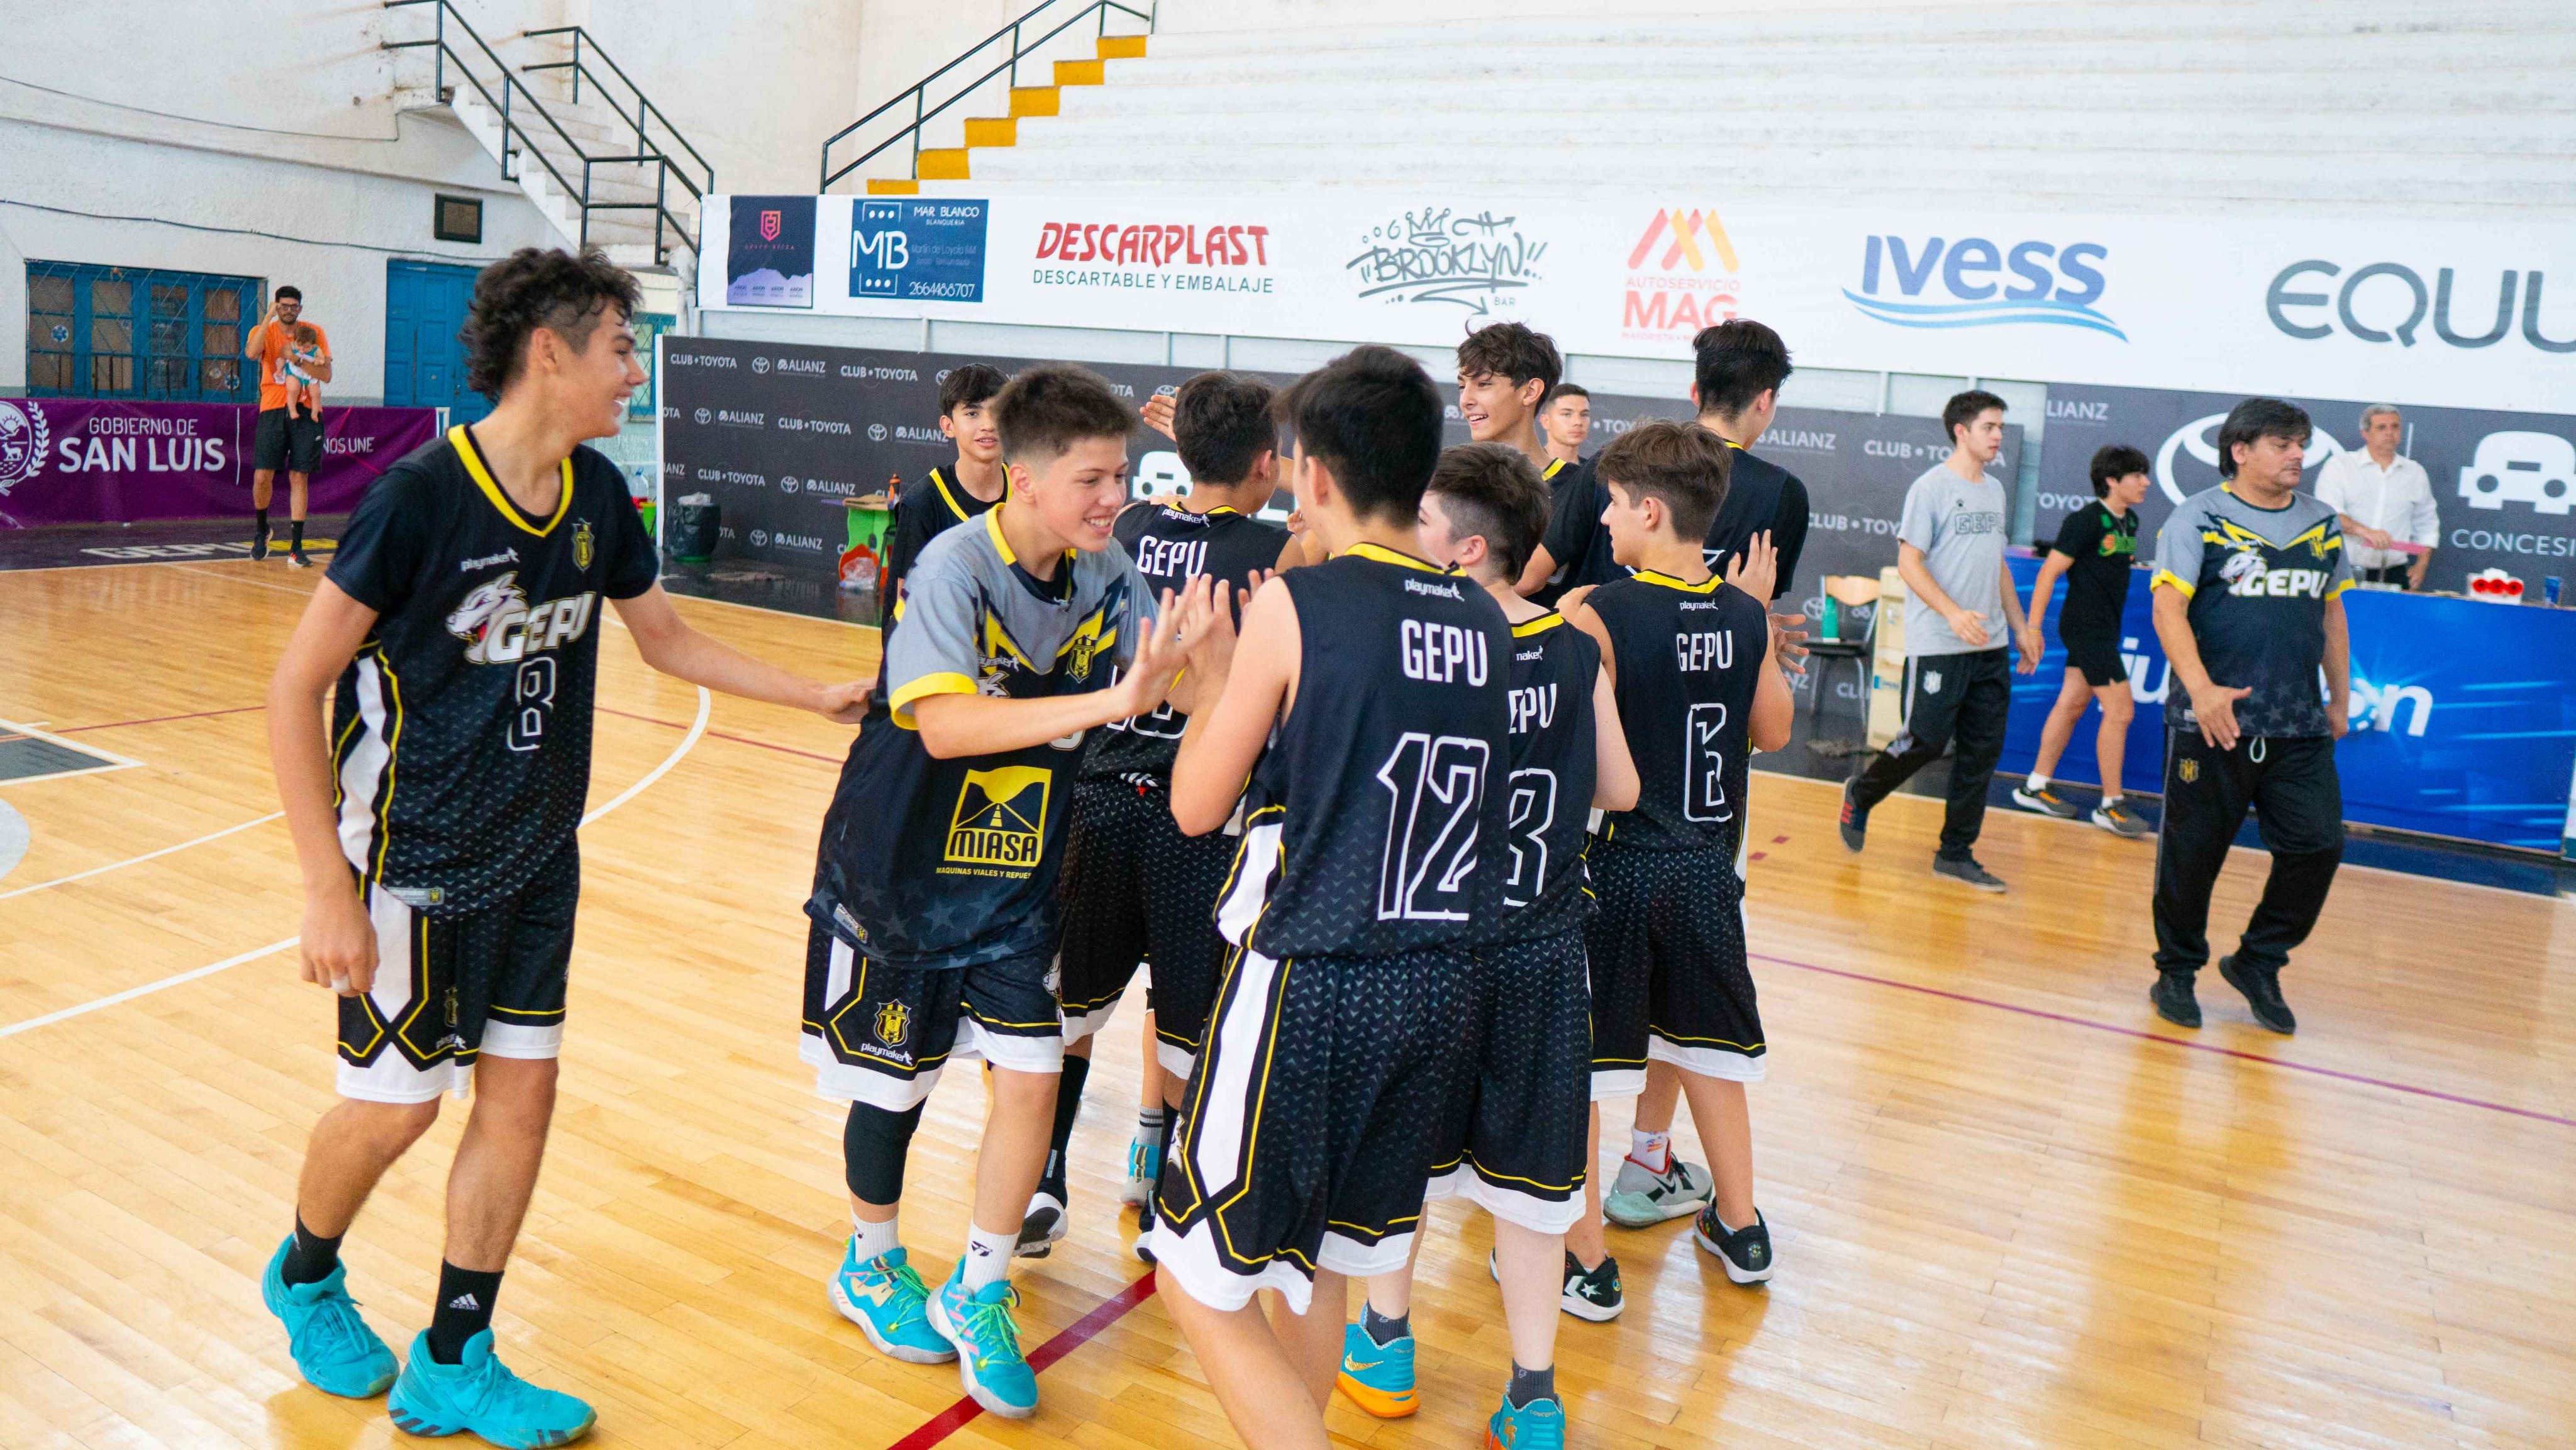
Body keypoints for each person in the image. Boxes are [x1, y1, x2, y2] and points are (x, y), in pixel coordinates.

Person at [261, 248, 871, 1445]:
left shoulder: (595, 497)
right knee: (397, 1113)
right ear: (552, 351)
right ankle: (307, 1272)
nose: (633, 369)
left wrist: (813, 695)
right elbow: (296, 688)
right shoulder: (420, 498)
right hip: (411, 862)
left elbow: (668, 643)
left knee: (521, 1104)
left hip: (540, 853)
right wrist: (326, 887)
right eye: (621, 347)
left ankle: (455, 1354)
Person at [1145, 346, 1511, 1450]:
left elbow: (1197, 807)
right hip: (1437, 990)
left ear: (1311, 473)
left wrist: (1208, 679)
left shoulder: (1298, 604)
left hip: (1311, 984)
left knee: (1194, 1281)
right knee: (1317, 1278)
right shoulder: (1489, 622)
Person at [801, 364, 1182, 1419]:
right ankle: (870, 1259)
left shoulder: (1109, 573)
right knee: (895, 1087)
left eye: (1124, 477)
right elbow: (946, 724)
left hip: (1015, 872)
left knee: (1028, 1077)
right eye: (1096, 479)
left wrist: (1220, 653)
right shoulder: (952, 564)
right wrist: (1115, 698)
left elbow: (1172, 676)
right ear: (1022, 476)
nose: (1116, 498)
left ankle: (981, 1285)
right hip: (900, 868)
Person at [1333, 443, 1638, 1447]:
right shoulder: (1573, 647)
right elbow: (1622, 792)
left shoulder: (1423, 650)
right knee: (1534, 1189)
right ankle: (1535, 1395)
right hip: (1545, 950)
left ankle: (1384, 1340)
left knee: (1401, 1164)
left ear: (1464, 550)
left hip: (1428, 946)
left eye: (1420, 519)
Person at [1032, 371, 1296, 1262]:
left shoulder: (1122, 529)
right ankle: (1166, 1195)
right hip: (1198, 814)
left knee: (1070, 1009)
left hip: (1098, 798)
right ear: (1268, 464)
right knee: (1193, 1019)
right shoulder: (1276, 558)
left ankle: (1044, 1175)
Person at [1563, 421, 1796, 1301]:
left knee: (1585, 1067)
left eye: (1614, 507)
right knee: (1711, 1053)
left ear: (1650, 510)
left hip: (1617, 866)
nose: (1607, 523)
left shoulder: (1599, 608)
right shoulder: (1743, 612)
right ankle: (1741, 1226)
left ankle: (1583, 1251)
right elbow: (1771, 732)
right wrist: (1758, 626)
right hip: (1706, 868)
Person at [2147, 398, 2351, 1037]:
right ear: (2240, 450)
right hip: (2211, 722)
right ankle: (2176, 971)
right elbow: (2166, 610)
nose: (2297, 455)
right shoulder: (2196, 517)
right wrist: (2202, 689)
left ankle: (2257, 961)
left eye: (2301, 443)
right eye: (2282, 443)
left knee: (2318, 844)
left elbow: (2330, 615)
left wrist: (2339, 697)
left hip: (2296, 723)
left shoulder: (2321, 523)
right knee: (2192, 855)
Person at [1838, 389, 2037, 892]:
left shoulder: (1994, 491)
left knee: (1981, 752)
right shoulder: (1930, 489)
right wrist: (1952, 612)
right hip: (1940, 645)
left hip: (1989, 647)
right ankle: (1862, 792)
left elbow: (1997, 569)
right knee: (1925, 741)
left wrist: (2020, 626)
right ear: (1962, 431)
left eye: (2000, 427)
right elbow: (1909, 563)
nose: (1998, 436)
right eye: (1990, 427)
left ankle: (1955, 853)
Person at [1519, 320, 1809, 610]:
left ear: (1695, 392)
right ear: (1764, 400)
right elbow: (1756, 608)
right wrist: (1763, 632)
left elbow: (1529, 577)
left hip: (1590, 649)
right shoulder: (1783, 494)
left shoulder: (1616, 457)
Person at [2013, 444, 2155, 837]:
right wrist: (2034, 629)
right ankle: (2111, 805)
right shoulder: (2085, 521)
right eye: (2137, 475)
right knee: (2121, 712)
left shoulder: (2131, 522)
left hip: (2105, 628)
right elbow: (2048, 575)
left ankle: (2035, 786)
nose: (2146, 482)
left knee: (2072, 703)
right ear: (2112, 481)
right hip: (2086, 629)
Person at [1458, 322, 1581, 604]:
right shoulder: (1446, 483)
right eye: (1462, 386)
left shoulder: (1579, 487)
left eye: (1483, 384)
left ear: (1530, 391)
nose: (1466, 400)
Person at [878, 362, 1009, 623]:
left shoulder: (1029, 492)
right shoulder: (923, 504)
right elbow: (904, 612)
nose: (988, 425)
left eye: (997, 412)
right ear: (948, 426)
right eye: (972, 414)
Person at [245, 285, 332, 566]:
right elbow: (251, 353)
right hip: (272, 407)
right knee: (262, 475)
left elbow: (326, 374)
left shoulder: (313, 332)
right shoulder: (265, 329)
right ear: (277, 306)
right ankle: (262, 530)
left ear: (300, 309)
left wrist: (299, 360)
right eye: (283, 305)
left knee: (299, 476)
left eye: (293, 306)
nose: (288, 310)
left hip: (306, 410)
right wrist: (267, 316)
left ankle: (296, 546)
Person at [2314, 403, 2437, 589]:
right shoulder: (2341, 466)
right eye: (2381, 427)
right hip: (2342, 567)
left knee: (2391, 618)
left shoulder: (2415, 473)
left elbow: (2427, 523)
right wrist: (2366, 532)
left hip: (2393, 572)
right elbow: (2328, 514)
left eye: (2394, 427)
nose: (2389, 432)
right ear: (2365, 433)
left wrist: (2421, 565)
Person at [1540, 381, 1591, 470]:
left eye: (1584, 415)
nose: (1578, 422)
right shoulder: (1526, 470)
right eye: (1567, 414)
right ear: (1546, 421)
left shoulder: (1594, 475)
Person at [282, 323, 326, 421]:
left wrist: (318, 361)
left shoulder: (316, 349)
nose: (302, 350)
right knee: (293, 389)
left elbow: (322, 360)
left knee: (316, 393)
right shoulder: (291, 346)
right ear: (295, 341)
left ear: (313, 344)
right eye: (299, 346)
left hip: (310, 376)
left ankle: (315, 413)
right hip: (294, 373)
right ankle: (292, 411)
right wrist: (279, 369)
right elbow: (284, 355)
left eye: (306, 347)